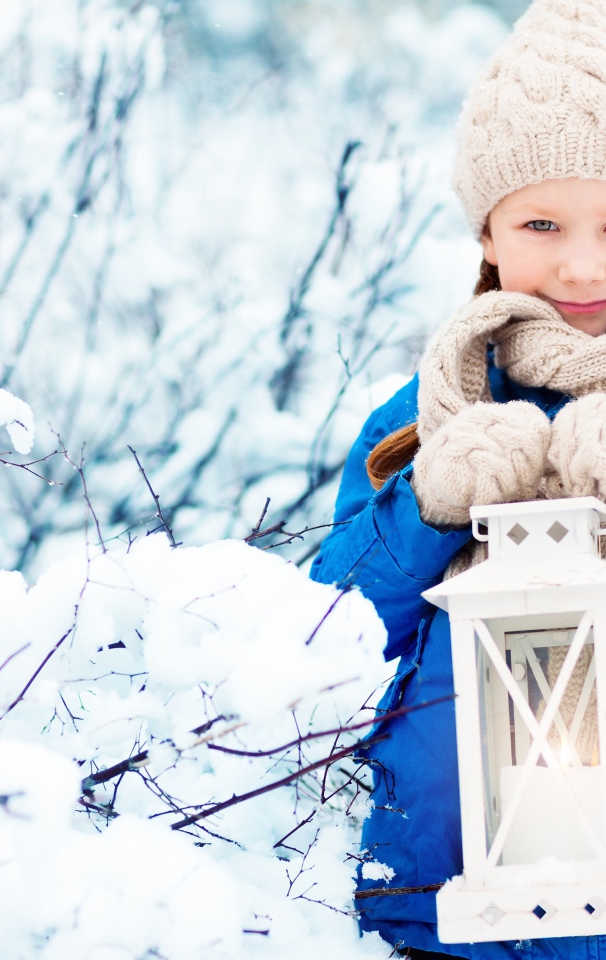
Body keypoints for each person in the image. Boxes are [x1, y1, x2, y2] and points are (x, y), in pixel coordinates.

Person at [310, 1, 606, 957]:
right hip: (442, 906)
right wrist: (430, 504)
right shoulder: (427, 412)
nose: (581, 262)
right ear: (487, 231)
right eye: (542, 221)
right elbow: (329, 642)